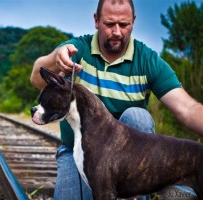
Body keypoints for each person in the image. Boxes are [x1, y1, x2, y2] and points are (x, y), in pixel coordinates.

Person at [30, 0, 203, 199]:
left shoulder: (147, 60)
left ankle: (143, 189)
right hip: (75, 151)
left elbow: (188, 109)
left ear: (134, 21)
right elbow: (37, 78)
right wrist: (55, 59)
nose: (117, 32)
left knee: (138, 116)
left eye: (124, 24)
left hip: (130, 159)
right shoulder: (78, 50)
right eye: (110, 24)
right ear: (96, 20)